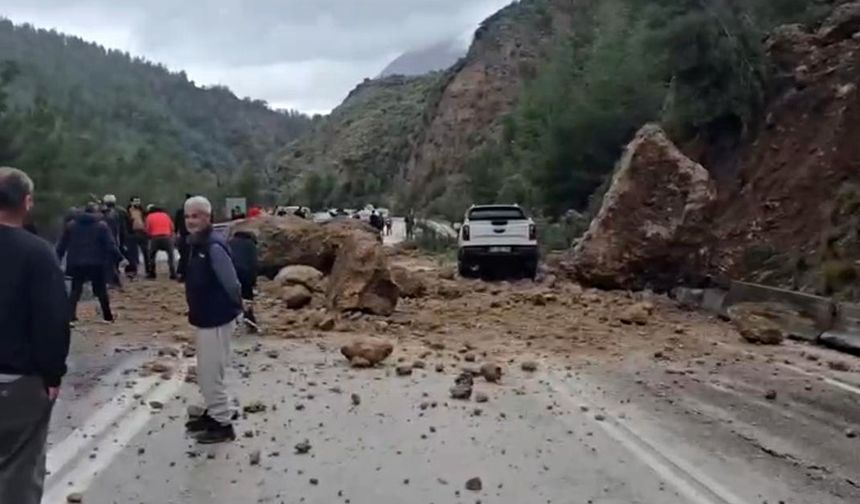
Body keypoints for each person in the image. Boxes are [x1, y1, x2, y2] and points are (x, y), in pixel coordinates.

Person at [0, 167, 70, 504]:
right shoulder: (38, 253)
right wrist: (53, 373)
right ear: (27, 202)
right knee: (19, 471)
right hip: (19, 382)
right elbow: (52, 319)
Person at [182, 196, 242, 443]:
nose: (190, 221)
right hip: (205, 317)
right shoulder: (198, 244)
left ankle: (222, 423)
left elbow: (231, 283)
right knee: (208, 370)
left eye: (196, 216)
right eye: (187, 216)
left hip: (216, 318)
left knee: (210, 373)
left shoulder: (212, 246)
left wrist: (237, 307)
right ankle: (214, 412)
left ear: (207, 217)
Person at [57, 203, 123, 323]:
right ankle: (107, 316)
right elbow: (110, 245)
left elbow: (61, 246)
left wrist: (57, 260)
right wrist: (120, 258)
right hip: (97, 263)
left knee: (75, 291)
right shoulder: (101, 226)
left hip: (76, 263)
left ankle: (70, 317)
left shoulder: (71, 226)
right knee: (101, 291)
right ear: (95, 212)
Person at [228, 230, 259, 333]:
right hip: (246, 274)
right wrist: (253, 282)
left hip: (232, 273)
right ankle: (249, 320)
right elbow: (253, 263)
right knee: (247, 298)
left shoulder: (230, 242)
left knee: (232, 298)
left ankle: (234, 321)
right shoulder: (250, 245)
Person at [101, 194, 127, 288]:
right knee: (113, 259)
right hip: (116, 238)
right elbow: (123, 228)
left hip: (105, 239)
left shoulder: (101, 213)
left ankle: (111, 281)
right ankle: (115, 280)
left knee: (108, 261)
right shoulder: (120, 211)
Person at [145, 205, 177, 280]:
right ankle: (173, 273)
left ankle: (152, 273)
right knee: (171, 256)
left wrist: (149, 235)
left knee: (152, 256)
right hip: (167, 237)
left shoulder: (149, 216)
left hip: (155, 238)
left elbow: (147, 228)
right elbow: (172, 227)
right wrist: (171, 235)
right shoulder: (166, 215)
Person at [125, 196, 148, 279]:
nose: (137, 203)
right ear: (131, 202)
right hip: (132, 233)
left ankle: (148, 270)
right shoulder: (127, 211)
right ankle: (133, 270)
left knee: (146, 251)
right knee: (133, 253)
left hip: (142, 232)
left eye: (138, 201)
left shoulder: (142, 210)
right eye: (135, 201)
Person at [175, 194, 192, 282]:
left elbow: (176, 225)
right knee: (189, 255)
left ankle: (182, 273)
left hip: (183, 236)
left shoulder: (180, 212)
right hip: (191, 235)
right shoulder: (195, 212)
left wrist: (175, 233)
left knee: (183, 255)